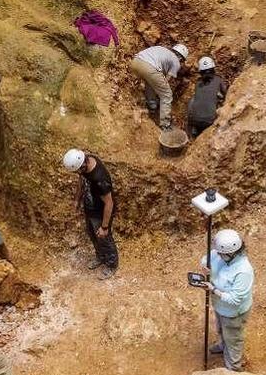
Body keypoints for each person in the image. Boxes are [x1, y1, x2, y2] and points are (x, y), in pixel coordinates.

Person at [199, 229, 255, 371]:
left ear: (231, 253)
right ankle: (223, 346)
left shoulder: (243, 271)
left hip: (233, 313)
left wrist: (213, 289)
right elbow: (206, 259)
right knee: (220, 328)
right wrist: (205, 267)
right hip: (220, 306)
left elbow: (235, 299)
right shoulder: (220, 254)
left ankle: (233, 367)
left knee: (234, 339)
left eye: (221, 253)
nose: (218, 255)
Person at [62, 148, 118, 280]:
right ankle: (101, 257)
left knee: (104, 238)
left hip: (100, 213)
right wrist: (77, 199)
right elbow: (82, 180)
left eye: (77, 171)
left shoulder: (100, 179)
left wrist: (104, 227)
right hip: (90, 209)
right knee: (93, 235)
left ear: (82, 165)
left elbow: (109, 203)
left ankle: (111, 264)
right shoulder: (86, 161)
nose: (77, 173)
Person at [130, 43, 189, 129]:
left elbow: (157, 80)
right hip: (150, 68)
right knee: (167, 95)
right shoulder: (176, 61)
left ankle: (152, 106)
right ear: (180, 57)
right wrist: (161, 92)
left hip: (136, 62)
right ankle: (165, 125)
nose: (181, 62)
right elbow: (167, 80)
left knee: (150, 82)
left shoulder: (161, 49)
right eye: (182, 61)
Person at [187, 56, 228, 138]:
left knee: (193, 99)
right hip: (209, 121)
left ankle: (194, 128)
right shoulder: (218, 80)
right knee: (222, 102)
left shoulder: (198, 82)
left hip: (194, 120)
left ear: (201, 72)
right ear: (213, 68)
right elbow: (227, 94)